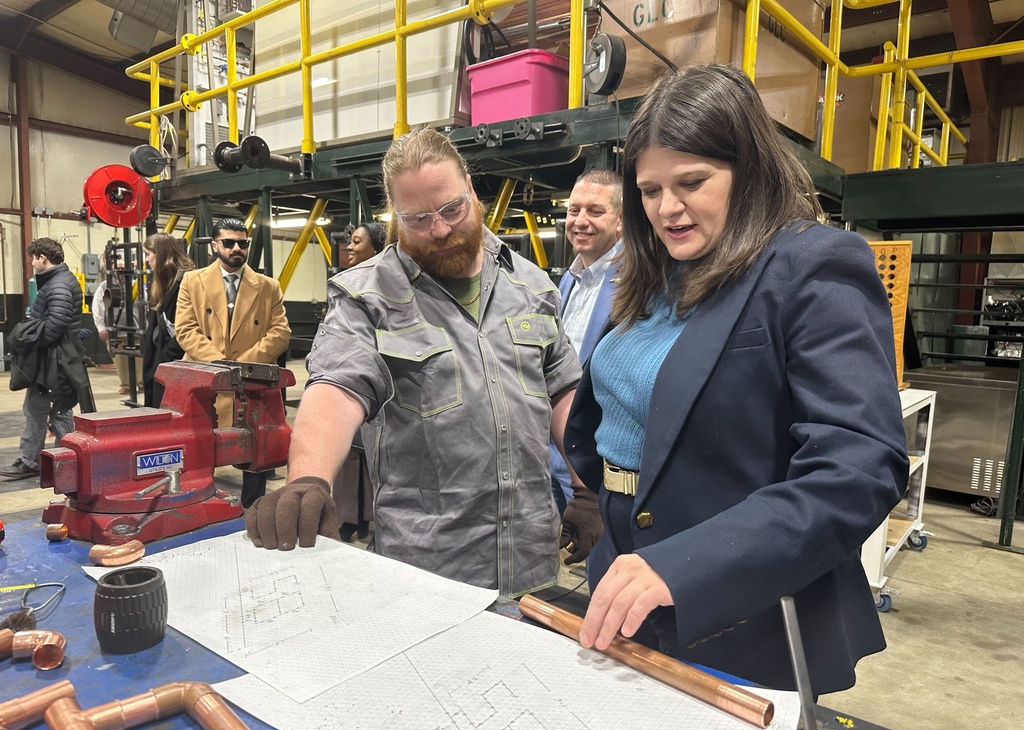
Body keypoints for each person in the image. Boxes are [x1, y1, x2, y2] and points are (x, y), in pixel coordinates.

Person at [565, 64, 910, 695]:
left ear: (747, 171)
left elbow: (860, 465)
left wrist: (687, 564)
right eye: (649, 190)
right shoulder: (657, 273)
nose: (668, 208)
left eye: (692, 182)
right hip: (623, 569)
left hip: (742, 603)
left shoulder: (809, 265)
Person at [245, 127, 598, 598]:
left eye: (452, 208)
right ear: (393, 215)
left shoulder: (532, 286)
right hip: (428, 572)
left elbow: (562, 391)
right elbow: (337, 387)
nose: (440, 229)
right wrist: (309, 479)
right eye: (417, 218)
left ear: (470, 188)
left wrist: (587, 487)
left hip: (532, 558)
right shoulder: (367, 295)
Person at [176, 218, 291, 508]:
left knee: (259, 446)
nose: (236, 248)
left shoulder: (268, 286)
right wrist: (220, 364)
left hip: (253, 384)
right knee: (201, 448)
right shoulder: (192, 281)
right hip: (206, 382)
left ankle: (253, 509)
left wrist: (243, 366)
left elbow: (280, 332)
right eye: (229, 243)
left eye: (243, 243)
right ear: (215, 245)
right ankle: (203, 504)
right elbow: (186, 330)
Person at [550, 169, 623, 516]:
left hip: (601, 459)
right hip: (557, 451)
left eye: (595, 211)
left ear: (621, 221)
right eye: (573, 210)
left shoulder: (639, 282)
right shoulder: (569, 281)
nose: (580, 221)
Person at [1, 238, 91, 480]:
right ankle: (43, 460)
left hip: (55, 359)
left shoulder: (59, 283)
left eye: (33, 258)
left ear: (43, 258)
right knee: (38, 408)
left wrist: (34, 340)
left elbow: (58, 322)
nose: (31, 262)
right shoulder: (57, 280)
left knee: (58, 410)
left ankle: (68, 461)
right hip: (53, 357)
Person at [334, 220, 387, 542]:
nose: (350, 247)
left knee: (373, 456)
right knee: (350, 455)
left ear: (376, 247)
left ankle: (368, 519)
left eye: (357, 241)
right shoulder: (344, 283)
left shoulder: (387, 286)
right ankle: (350, 517)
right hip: (348, 376)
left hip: (376, 381)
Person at [141, 232, 194, 407]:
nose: (146, 260)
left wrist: (167, 356)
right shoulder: (164, 282)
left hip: (178, 363)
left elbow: (191, 327)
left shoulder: (186, 282)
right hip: (164, 360)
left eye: (148, 254)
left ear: (161, 253)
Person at [92, 255, 143, 395]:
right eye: (118, 269)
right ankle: (125, 384)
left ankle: (141, 383)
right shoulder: (105, 286)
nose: (121, 272)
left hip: (136, 327)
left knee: (139, 357)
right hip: (115, 329)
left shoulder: (136, 285)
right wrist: (101, 327)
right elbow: (98, 307)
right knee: (120, 360)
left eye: (123, 269)